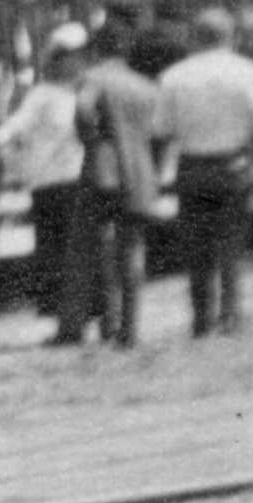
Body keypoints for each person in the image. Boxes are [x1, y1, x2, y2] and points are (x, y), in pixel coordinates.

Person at [153, 7, 253, 338]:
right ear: (231, 36)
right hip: (234, 165)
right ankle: (230, 314)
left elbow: (162, 127)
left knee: (196, 246)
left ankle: (201, 317)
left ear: (195, 37)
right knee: (230, 243)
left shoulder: (174, 76)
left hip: (192, 166)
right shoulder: (246, 72)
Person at [0, 23, 99, 345]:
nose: (75, 61)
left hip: (81, 181)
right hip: (51, 186)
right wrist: (10, 158)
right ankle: (69, 327)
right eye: (67, 55)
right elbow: (10, 130)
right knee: (59, 258)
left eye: (79, 55)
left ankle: (86, 322)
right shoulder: (42, 95)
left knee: (81, 257)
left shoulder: (88, 90)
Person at [67, 20, 167, 348]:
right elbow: (161, 132)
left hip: (103, 169)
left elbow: (83, 106)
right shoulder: (145, 86)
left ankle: (108, 322)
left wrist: (89, 137)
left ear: (96, 49)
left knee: (102, 247)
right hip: (139, 172)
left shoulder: (94, 77)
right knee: (132, 247)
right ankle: (130, 328)